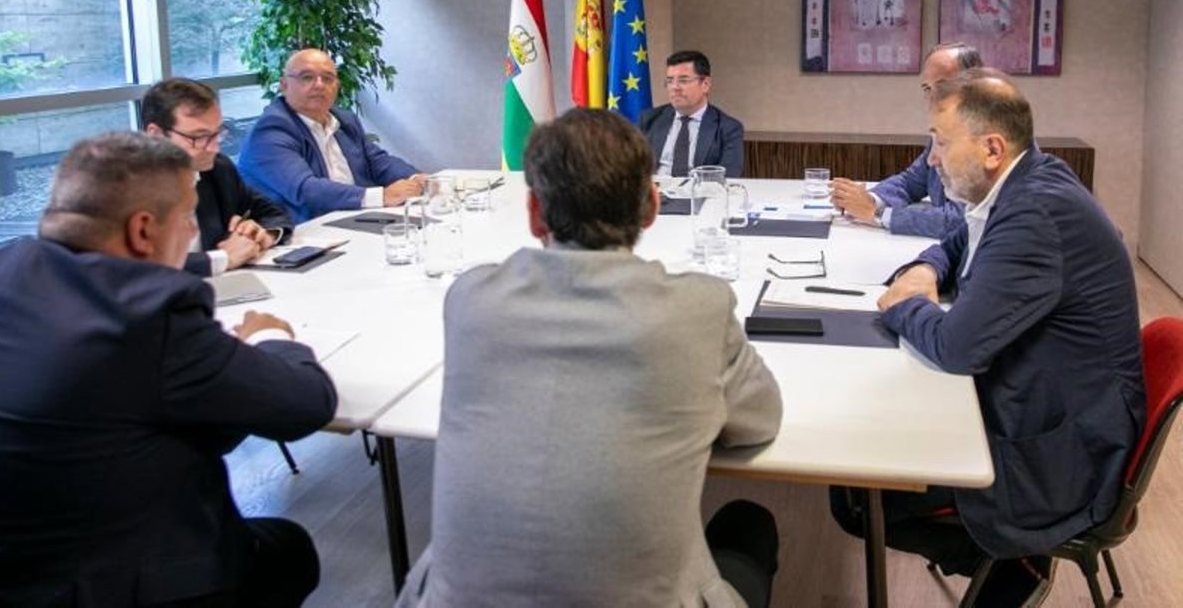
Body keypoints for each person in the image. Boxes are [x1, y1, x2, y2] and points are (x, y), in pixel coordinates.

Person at [396, 108, 783, 607]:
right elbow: (760, 422)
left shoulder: (471, 299)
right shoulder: (698, 307)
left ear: (534, 212)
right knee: (749, 523)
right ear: (651, 207)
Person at [830, 69, 1145, 606]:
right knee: (865, 454)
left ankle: (1014, 561)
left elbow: (957, 348)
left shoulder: (1035, 213)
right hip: (1053, 398)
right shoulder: (1028, 179)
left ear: (992, 149)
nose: (932, 159)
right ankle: (997, 558)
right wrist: (926, 270)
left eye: (941, 142)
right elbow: (957, 240)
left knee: (858, 494)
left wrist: (904, 304)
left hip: (1062, 449)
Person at [0, 133, 338, 607]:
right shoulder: (148, 313)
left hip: (4, 574)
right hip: (115, 586)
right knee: (290, 552)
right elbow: (306, 406)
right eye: (188, 218)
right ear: (143, 230)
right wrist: (268, 338)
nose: (193, 233)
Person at [238, 48, 427, 223]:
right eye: (307, 77)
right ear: (284, 85)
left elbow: (378, 162)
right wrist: (382, 196)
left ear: (336, 86)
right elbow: (305, 190)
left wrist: (416, 179)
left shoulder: (344, 120)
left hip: (357, 219)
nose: (319, 85)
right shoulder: (270, 131)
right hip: (305, 231)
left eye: (327, 78)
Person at [142, 77, 292, 276]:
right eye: (200, 137)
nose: (214, 148)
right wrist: (221, 258)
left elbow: (273, 213)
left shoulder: (217, 170)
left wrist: (262, 234)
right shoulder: (121, 187)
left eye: (217, 133)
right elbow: (128, 268)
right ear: (156, 134)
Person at [829, 43, 981, 238]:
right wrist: (870, 200)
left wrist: (877, 213)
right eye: (927, 88)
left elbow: (961, 221)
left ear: (975, 87)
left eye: (942, 87)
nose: (932, 98)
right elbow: (910, 182)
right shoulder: (943, 132)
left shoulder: (986, 140)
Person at [639, 50, 746, 178]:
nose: (675, 87)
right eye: (670, 80)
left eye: (683, 80)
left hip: (701, 189)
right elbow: (632, 166)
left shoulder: (728, 128)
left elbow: (728, 175)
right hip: (656, 189)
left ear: (705, 84)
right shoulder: (649, 119)